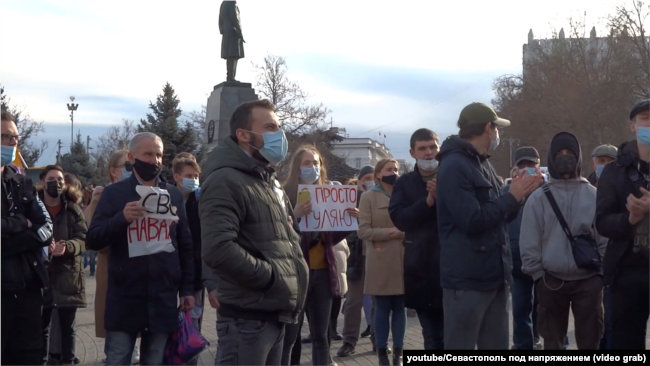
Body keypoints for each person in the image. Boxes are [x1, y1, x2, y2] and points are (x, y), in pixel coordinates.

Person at [199, 99, 308, 365]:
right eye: (270, 127)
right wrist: (271, 277)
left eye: (279, 127)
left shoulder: (265, 180)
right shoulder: (225, 180)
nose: (279, 135)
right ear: (244, 135)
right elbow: (219, 248)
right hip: (247, 320)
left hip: (274, 313)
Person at [435, 102, 541, 349]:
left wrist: (518, 197)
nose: (497, 135)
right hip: (467, 280)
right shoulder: (454, 166)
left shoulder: (482, 164)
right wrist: (512, 197)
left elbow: (497, 216)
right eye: (496, 128)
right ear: (487, 127)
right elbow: (471, 220)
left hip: (494, 277)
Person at [87, 132, 195, 365]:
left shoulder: (173, 195)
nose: (155, 160)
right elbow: (93, 239)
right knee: (117, 358)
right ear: (131, 157)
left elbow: (185, 245)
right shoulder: (115, 194)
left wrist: (187, 289)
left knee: (155, 359)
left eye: (159, 155)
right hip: (125, 298)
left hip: (162, 298)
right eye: (148, 154)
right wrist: (121, 218)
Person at [520, 132, 606, 349]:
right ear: (551, 157)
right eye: (560, 153)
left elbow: (605, 239)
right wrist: (538, 276)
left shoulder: (594, 195)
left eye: (570, 153)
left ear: (578, 158)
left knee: (591, 343)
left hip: (589, 282)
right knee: (553, 345)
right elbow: (529, 242)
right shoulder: (538, 199)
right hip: (551, 282)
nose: (565, 157)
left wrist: (600, 275)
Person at [281, 145, 353, 366]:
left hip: (323, 272)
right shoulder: (284, 193)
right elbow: (279, 234)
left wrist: (348, 222)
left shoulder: (327, 194)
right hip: (296, 275)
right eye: (306, 163)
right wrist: (296, 214)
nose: (312, 167)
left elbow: (330, 237)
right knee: (290, 336)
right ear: (296, 167)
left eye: (316, 163)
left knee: (321, 335)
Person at [596, 99, 650, 349]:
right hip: (625, 272)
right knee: (624, 343)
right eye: (646, 118)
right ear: (633, 125)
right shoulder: (614, 171)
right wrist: (630, 218)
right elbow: (602, 222)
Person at [1, 111, 53, 365]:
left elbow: (46, 229)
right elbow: (32, 227)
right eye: (5, 137)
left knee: (31, 356)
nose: (12, 143)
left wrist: (12, 237)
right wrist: (23, 224)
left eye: (15, 137)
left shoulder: (20, 180)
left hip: (29, 286)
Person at [389, 128, 444, 350]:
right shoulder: (404, 183)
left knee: (455, 337)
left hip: (452, 269)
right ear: (413, 153)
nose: (428, 153)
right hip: (421, 270)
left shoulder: (452, 176)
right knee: (432, 338)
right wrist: (427, 202)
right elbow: (399, 219)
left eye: (432, 147)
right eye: (423, 149)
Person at [38, 165, 88, 366]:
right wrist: (42, 244)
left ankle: (68, 361)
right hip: (40, 276)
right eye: (52, 179)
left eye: (60, 179)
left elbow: (83, 239)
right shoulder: (34, 206)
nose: (56, 183)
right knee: (40, 327)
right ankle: (40, 361)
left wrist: (67, 246)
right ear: (42, 182)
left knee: (68, 328)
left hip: (68, 276)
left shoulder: (73, 209)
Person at [359, 158, 405, 366]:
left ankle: (398, 352)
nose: (393, 172)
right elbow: (363, 231)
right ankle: (382, 353)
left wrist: (404, 232)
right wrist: (390, 233)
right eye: (389, 169)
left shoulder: (404, 194)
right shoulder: (369, 197)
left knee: (400, 308)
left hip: (403, 258)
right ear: (378, 174)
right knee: (382, 308)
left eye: (395, 169)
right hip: (379, 259)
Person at [503, 146, 543, 350]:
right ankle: (522, 346)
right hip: (517, 262)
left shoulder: (547, 190)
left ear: (539, 167)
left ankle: (550, 343)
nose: (527, 168)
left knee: (547, 309)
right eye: (522, 165)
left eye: (531, 165)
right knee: (520, 309)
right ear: (515, 169)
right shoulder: (506, 191)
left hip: (545, 262)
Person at [171, 154, 210, 344]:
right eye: (189, 176)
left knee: (192, 330)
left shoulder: (201, 203)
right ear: (176, 176)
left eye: (196, 176)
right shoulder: (167, 200)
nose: (193, 180)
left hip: (195, 275)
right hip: (169, 275)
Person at [337, 165, 375, 357]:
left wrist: (364, 217)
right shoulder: (350, 198)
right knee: (353, 302)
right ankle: (349, 341)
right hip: (357, 257)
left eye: (372, 177)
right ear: (359, 180)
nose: (369, 181)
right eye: (366, 178)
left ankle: (379, 339)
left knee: (378, 301)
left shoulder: (381, 196)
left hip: (377, 255)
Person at [219, 0, 244, 82]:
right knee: (233, 55)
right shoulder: (231, 4)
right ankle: (231, 77)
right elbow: (235, 19)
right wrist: (240, 32)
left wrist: (222, 30)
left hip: (227, 32)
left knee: (231, 56)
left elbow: (220, 20)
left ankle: (230, 76)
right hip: (233, 32)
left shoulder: (223, 4)